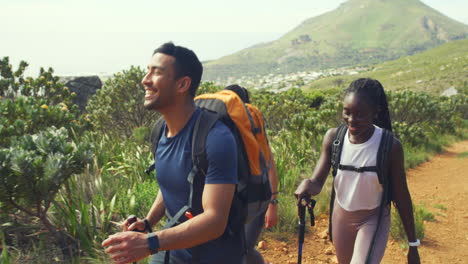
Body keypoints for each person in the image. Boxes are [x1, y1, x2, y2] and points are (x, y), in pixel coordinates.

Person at [102, 42, 244, 264]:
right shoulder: (160, 130)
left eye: (156, 72)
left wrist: (148, 243)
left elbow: (215, 221)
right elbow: (174, 183)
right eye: (147, 71)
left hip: (211, 257)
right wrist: (148, 223)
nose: (145, 80)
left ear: (182, 84)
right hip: (169, 250)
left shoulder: (216, 138)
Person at [294, 78, 421, 264]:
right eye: (347, 112)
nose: (352, 120)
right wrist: (307, 185)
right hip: (341, 217)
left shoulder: (389, 146)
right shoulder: (333, 139)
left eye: (360, 114)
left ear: (375, 113)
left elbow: (402, 195)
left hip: (373, 218)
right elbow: (317, 183)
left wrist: (412, 244)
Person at [224, 84, 279, 264]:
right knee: (235, 250)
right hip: (233, 203)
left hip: (256, 201)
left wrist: (273, 203)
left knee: (244, 249)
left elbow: (270, 167)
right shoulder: (224, 131)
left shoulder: (255, 133)